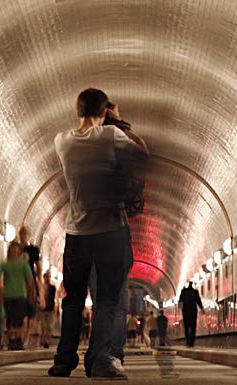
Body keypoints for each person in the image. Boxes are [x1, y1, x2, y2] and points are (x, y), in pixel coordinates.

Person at [48, 88, 149, 379]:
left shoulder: (61, 141)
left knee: (73, 300)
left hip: (76, 232)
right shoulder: (110, 135)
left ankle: (63, 361)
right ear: (104, 112)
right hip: (110, 231)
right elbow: (142, 153)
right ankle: (100, 360)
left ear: (77, 111)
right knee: (106, 299)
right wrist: (119, 122)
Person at [1, 241, 35, 350]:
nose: (14, 252)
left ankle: (18, 339)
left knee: (19, 319)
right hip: (8, 295)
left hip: (21, 295)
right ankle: (11, 339)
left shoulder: (24, 265)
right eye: (12, 250)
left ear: (19, 252)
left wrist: (29, 293)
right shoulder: (5, 265)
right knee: (10, 319)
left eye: (16, 250)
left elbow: (30, 280)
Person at [19, 226, 40, 347]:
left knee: (31, 310)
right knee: (20, 310)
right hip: (18, 281)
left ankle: (27, 336)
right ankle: (20, 337)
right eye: (21, 233)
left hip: (30, 280)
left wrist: (40, 285)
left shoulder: (33, 250)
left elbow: (38, 267)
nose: (22, 235)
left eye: (24, 233)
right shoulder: (16, 249)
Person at [178, 282, 203, 347]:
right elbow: (198, 301)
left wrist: (180, 309)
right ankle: (191, 342)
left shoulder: (183, 291)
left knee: (186, 326)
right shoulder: (195, 292)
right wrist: (202, 309)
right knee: (193, 326)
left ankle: (187, 341)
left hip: (185, 310)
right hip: (193, 310)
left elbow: (180, 301)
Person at [38, 270, 57, 348]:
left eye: (49, 277)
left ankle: (47, 341)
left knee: (49, 326)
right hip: (43, 309)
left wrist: (56, 307)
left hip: (50, 309)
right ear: (44, 278)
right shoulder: (41, 287)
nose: (48, 279)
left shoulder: (53, 288)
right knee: (43, 326)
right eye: (47, 277)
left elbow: (54, 298)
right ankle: (43, 341)